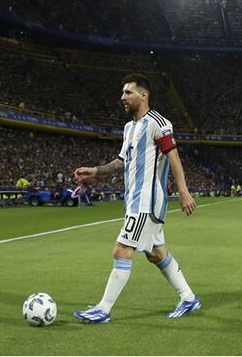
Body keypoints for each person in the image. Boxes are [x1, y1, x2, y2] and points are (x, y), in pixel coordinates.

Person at [72, 73, 200, 323]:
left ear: (144, 95)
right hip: (134, 201)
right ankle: (188, 298)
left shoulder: (159, 123)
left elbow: (173, 156)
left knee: (121, 251)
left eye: (128, 92)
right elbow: (122, 161)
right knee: (156, 254)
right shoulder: (129, 128)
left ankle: (103, 309)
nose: (122, 97)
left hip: (146, 202)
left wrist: (183, 190)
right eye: (122, 92)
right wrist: (96, 171)